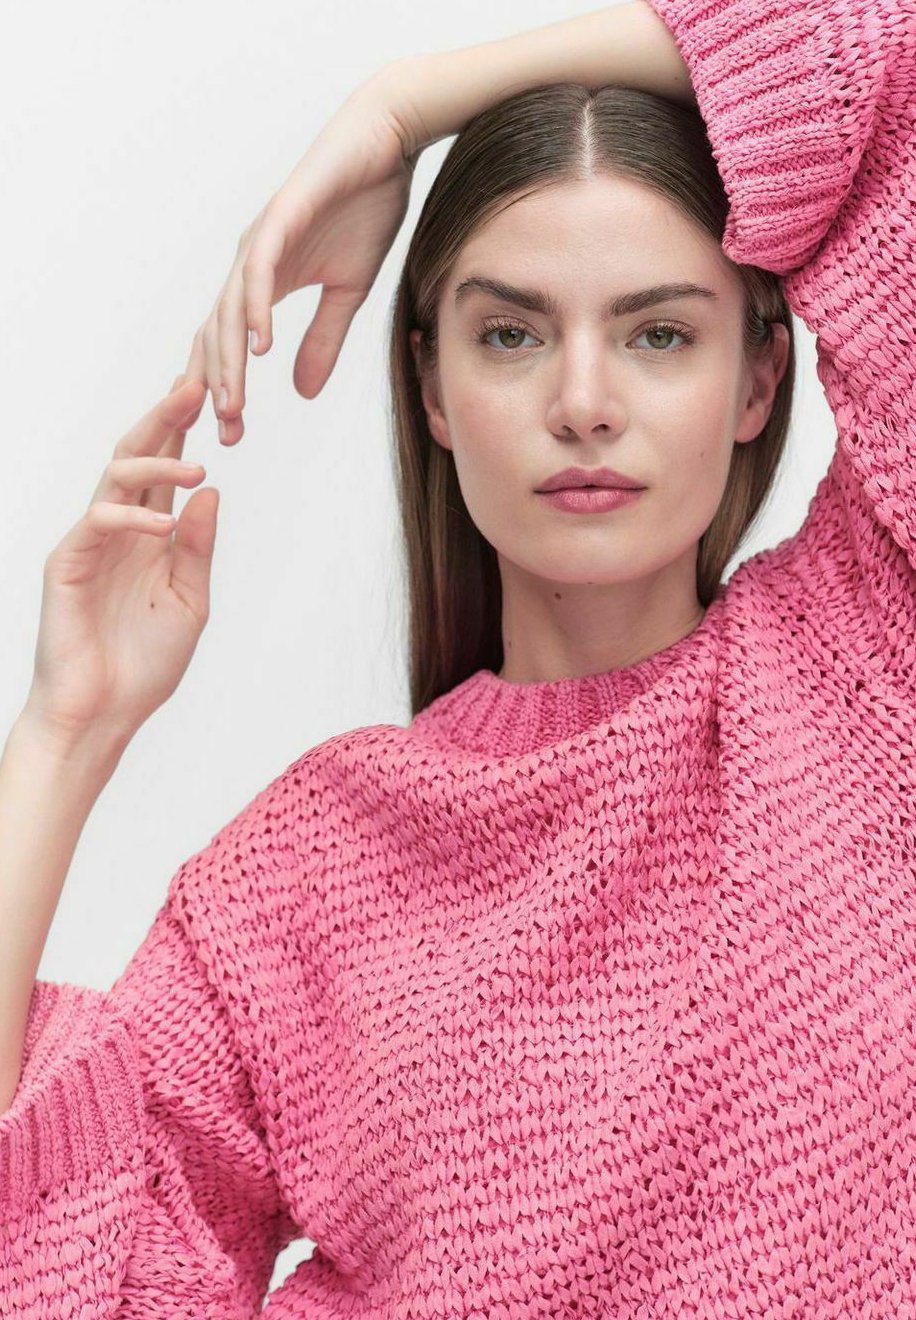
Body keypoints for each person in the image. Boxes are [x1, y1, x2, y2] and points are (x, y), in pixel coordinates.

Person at [0, 0, 913, 1313]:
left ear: (759, 380)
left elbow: (884, 66)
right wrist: (61, 733)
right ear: (432, 389)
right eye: (511, 334)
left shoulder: (866, 660)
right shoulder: (304, 877)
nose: (583, 402)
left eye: (659, 333)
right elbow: (71, 1274)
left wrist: (410, 104)